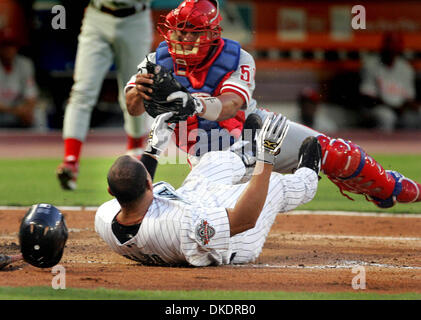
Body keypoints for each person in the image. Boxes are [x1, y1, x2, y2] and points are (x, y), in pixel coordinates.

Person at [125, 0, 421, 208]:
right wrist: (138, 92)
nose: (184, 37)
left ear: (213, 34)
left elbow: (231, 104)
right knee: (211, 221)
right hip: (207, 154)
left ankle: (392, 187)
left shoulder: (237, 58)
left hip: (255, 134)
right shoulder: (155, 61)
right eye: (180, 30)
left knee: (333, 151)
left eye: (193, 31)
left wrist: (195, 104)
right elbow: (133, 107)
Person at [95, 112, 321, 266]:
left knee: (211, 163)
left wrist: (154, 147)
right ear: (147, 183)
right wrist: (267, 155)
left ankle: (246, 155)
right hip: (233, 240)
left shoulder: (105, 216)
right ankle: (307, 179)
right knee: (271, 185)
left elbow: (133, 182)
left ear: (111, 192)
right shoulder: (182, 226)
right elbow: (245, 219)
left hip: (186, 206)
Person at [56, 0, 153, 191]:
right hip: (97, 16)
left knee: (135, 90)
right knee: (82, 91)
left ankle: (135, 151)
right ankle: (70, 161)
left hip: (136, 18)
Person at [359, 31, 421, 131]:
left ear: (401, 46)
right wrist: (392, 107)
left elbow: (409, 97)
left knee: (415, 116)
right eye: (390, 42)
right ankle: (382, 146)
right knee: (386, 116)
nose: (393, 46)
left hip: (400, 109)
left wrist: (406, 107)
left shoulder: (406, 68)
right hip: (377, 109)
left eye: (396, 43)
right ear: (384, 44)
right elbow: (368, 98)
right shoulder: (371, 65)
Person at [0, 29, 38, 128]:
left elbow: (31, 94)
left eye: (11, 45)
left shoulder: (25, 64)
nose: (8, 49)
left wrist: (27, 110)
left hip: (19, 112)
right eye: (5, 45)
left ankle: (38, 143)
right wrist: (15, 110)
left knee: (38, 113)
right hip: (4, 112)